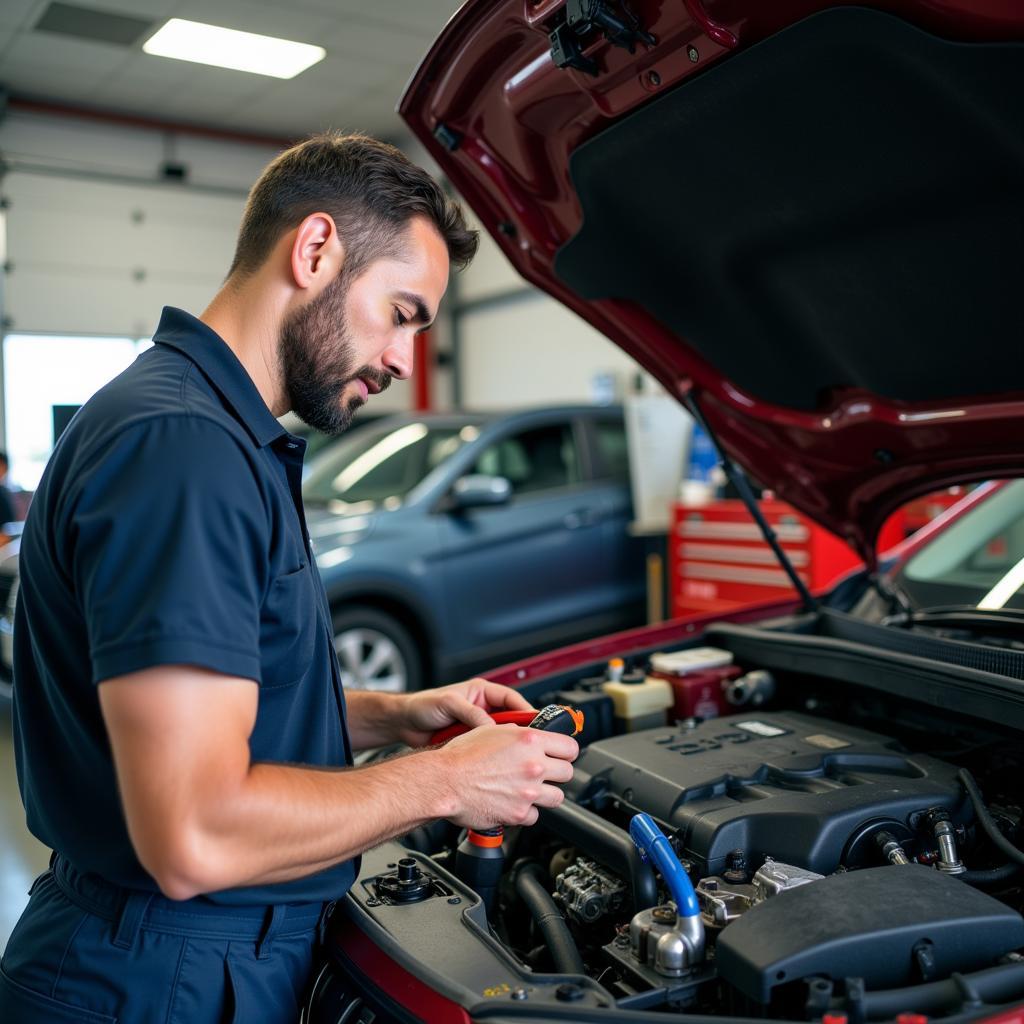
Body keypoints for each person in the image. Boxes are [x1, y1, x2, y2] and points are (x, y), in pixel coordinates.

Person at [0, 133, 580, 1024]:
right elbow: (194, 832)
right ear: (314, 251)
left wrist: (390, 715)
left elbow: (195, 703)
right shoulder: (185, 450)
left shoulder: (202, 427)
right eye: (401, 312)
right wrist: (448, 784)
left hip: (171, 957)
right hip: (159, 980)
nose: (402, 361)